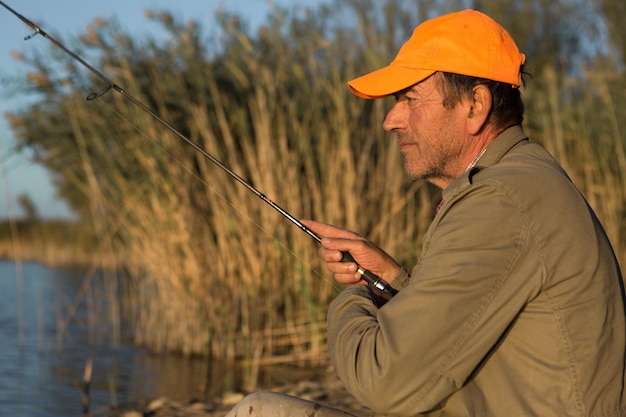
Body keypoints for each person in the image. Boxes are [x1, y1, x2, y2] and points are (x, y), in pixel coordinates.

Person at [225, 9, 626, 417]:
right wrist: (392, 282)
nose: (390, 120)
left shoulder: (500, 201)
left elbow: (383, 379)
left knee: (257, 412)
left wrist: (353, 296)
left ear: (475, 106)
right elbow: (467, 326)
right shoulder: (521, 181)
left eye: (409, 99)